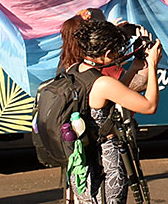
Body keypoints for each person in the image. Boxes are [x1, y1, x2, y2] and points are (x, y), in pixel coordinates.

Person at [70, 20, 163, 204]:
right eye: (117, 51)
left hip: (81, 166)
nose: (119, 55)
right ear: (106, 53)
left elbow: (113, 93)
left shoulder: (75, 70)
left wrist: (135, 67)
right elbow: (149, 106)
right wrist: (152, 65)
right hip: (105, 167)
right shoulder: (102, 83)